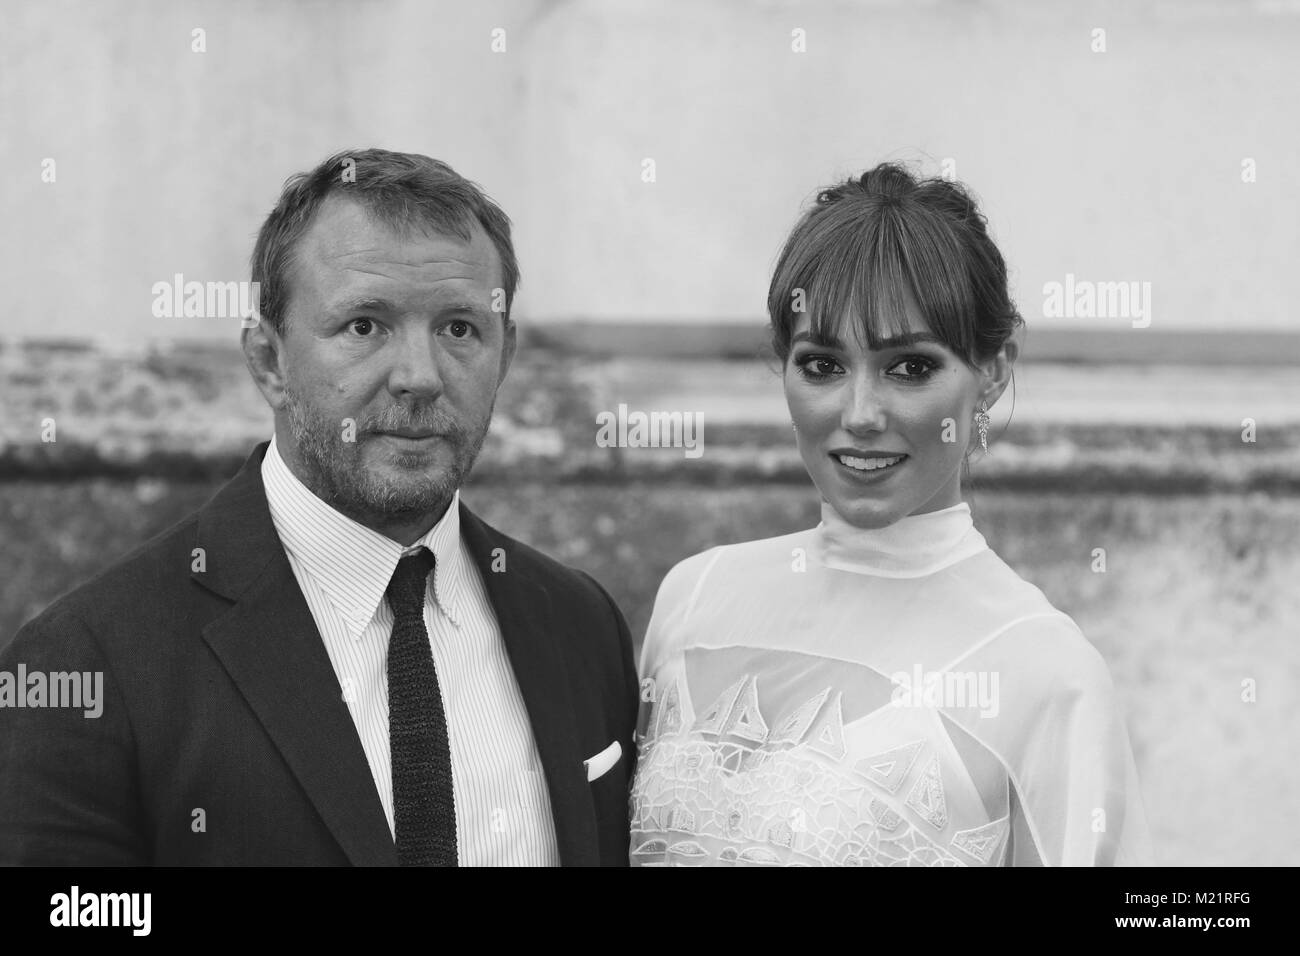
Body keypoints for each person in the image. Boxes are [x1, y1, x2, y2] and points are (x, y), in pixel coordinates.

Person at [0, 148, 638, 866]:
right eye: (364, 325)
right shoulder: (94, 660)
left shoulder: (580, 625)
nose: (420, 378)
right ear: (269, 361)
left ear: (506, 354)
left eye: (460, 328)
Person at [629, 163, 1153, 867]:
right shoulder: (693, 597)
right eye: (822, 366)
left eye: (909, 368)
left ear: (994, 372)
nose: (859, 415)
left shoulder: (1045, 671)